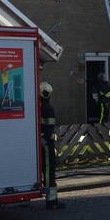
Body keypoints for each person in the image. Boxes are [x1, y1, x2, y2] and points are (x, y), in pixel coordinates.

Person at [39, 81, 65, 209]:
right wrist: (44, 138)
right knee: (49, 171)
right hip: (47, 144)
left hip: (41, 143)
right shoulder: (48, 108)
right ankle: (52, 201)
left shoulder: (36, 107)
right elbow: (49, 128)